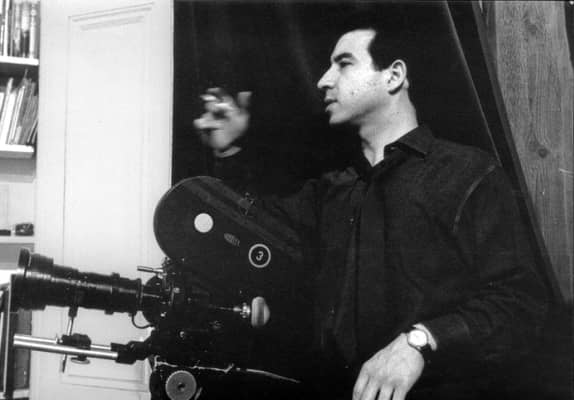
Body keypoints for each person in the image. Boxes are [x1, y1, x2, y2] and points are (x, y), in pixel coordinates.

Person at [193, 19, 548, 400]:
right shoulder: (328, 191)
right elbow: (243, 228)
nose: (324, 80)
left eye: (344, 64)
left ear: (394, 76)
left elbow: (519, 305)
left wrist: (421, 341)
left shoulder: (468, 174)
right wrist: (227, 149)